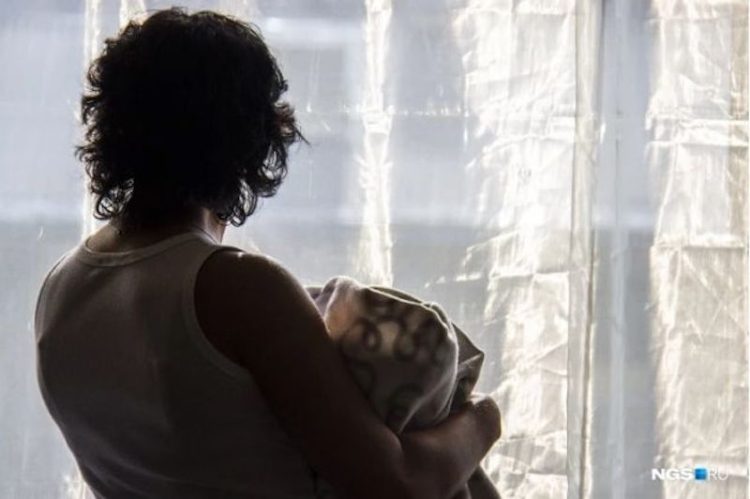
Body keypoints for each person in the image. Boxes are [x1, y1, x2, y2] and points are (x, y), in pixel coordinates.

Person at [34, 8, 501, 499]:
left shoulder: (61, 287)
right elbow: (398, 484)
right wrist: (484, 418)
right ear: (250, 141)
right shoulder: (235, 289)